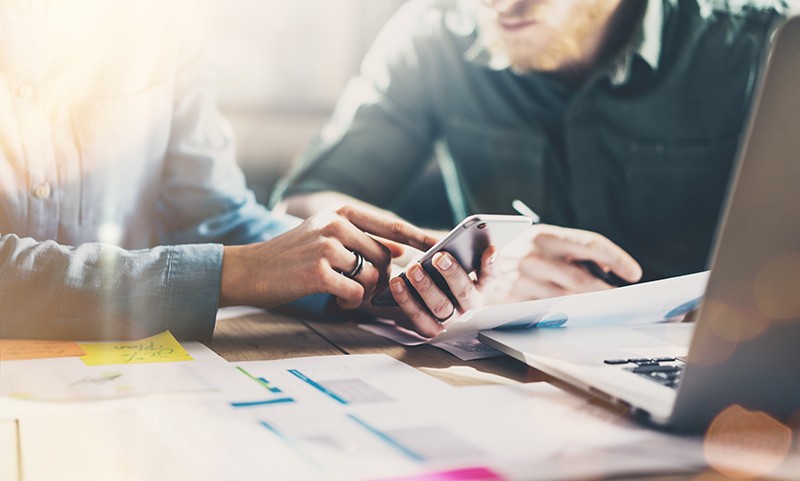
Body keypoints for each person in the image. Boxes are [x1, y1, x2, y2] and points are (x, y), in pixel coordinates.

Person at [0, 0, 490, 342]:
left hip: (123, 372)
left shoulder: (161, 20)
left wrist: (368, 273)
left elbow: (216, 217)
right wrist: (238, 273)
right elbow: (242, 262)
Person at [273, 0, 791, 303]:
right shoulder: (435, 33)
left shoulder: (763, 42)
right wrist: (466, 266)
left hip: (709, 373)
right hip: (507, 371)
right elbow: (301, 210)